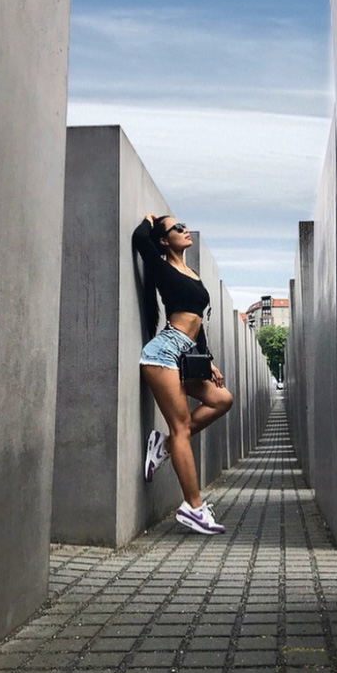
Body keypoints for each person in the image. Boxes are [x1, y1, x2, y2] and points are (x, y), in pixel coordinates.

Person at [133, 214, 233, 535]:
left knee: (222, 399)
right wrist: (149, 220)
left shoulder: (191, 272)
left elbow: (197, 323)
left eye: (183, 225)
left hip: (186, 352)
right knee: (182, 429)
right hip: (162, 354)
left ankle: (163, 445)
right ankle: (193, 506)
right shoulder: (162, 267)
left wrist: (209, 361)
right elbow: (139, 239)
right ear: (164, 240)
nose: (184, 229)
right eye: (177, 228)